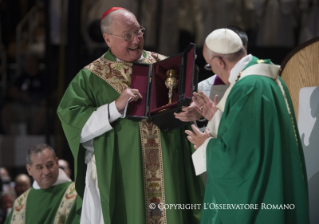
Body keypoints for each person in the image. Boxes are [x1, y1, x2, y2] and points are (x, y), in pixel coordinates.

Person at [57, 7, 204, 224]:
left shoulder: (165, 66)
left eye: (139, 32)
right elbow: (71, 119)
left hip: (169, 165)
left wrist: (194, 111)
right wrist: (114, 108)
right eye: (127, 36)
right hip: (124, 171)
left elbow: (194, 100)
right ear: (107, 39)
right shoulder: (90, 77)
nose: (136, 40)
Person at [185, 28, 310, 223]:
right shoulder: (263, 77)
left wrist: (206, 146)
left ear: (220, 62)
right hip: (271, 175)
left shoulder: (249, 87)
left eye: (210, 66)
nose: (214, 70)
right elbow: (253, 135)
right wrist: (217, 117)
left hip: (260, 194)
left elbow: (240, 158)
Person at [4, 144, 80, 224]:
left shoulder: (77, 193)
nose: (46, 172)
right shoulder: (20, 203)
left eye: (50, 165)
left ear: (57, 162)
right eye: (39, 167)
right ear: (29, 169)